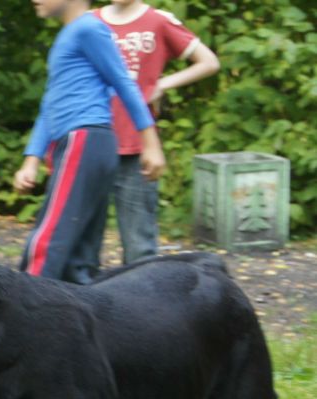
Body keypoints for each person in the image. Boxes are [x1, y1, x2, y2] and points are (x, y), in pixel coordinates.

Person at [13, 0, 165, 284]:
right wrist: (31, 159)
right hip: (84, 143)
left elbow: (123, 82)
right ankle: (80, 307)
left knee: (48, 242)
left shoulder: (89, 29)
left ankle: (21, 303)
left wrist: (150, 142)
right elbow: (50, 104)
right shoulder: (70, 34)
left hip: (84, 139)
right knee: (78, 258)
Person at [96, 0, 219, 263]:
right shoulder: (90, 21)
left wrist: (162, 85)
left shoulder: (158, 21)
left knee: (139, 245)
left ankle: (141, 289)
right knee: (79, 238)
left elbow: (209, 62)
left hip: (137, 146)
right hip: (91, 143)